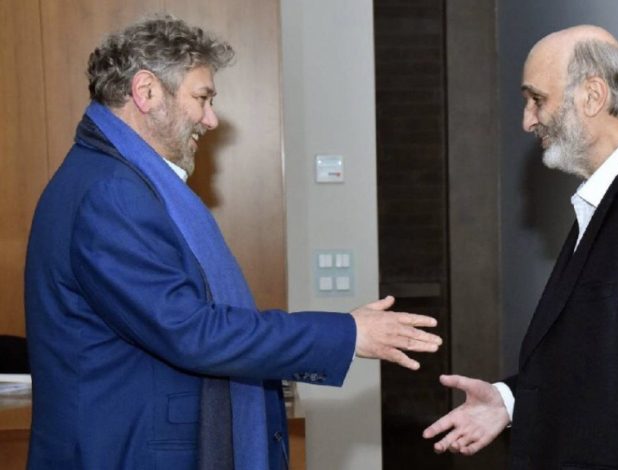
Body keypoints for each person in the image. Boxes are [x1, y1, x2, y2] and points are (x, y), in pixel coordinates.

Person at [24, 15, 442, 470]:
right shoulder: (112, 193)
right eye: (202, 98)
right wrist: (348, 334)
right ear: (146, 92)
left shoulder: (116, 178)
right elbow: (191, 331)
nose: (210, 119)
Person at [423, 25, 618, 469]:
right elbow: (597, 365)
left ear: (592, 96)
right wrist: (509, 400)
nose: (527, 120)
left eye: (537, 99)